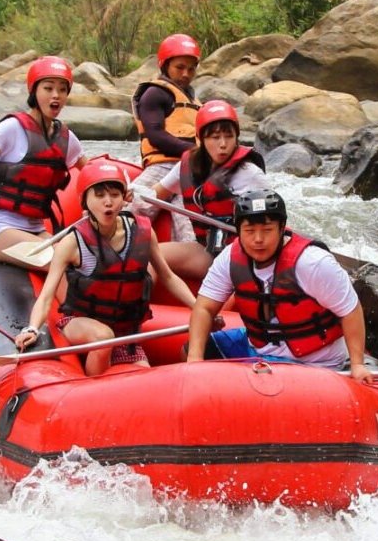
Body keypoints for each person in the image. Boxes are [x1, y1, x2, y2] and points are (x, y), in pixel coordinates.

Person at [15, 158, 199, 377]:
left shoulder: (143, 232)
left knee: (147, 384)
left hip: (126, 332)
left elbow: (168, 277)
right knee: (103, 337)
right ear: (85, 201)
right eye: (100, 195)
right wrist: (33, 328)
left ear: (124, 198)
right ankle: (90, 387)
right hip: (80, 323)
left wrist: (199, 309)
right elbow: (46, 296)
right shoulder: (72, 243)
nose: (108, 202)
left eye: (114, 194)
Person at [186, 189, 374, 383]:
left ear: (282, 228)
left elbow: (350, 310)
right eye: (249, 231)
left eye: (267, 230)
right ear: (238, 230)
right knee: (190, 349)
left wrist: (357, 364)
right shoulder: (229, 259)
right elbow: (204, 308)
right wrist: (195, 360)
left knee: (257, 382)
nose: (258, 239)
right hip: (259, 348)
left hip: (315, 363)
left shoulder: (312, 262)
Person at [0, 55, 86, 264]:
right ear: (34, 91)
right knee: (65, 259)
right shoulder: (12, 128)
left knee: (86, 262)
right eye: (48, 88)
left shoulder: (67, 139)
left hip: (36, 228)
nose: (56, 95)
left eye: (62, 90)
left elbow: (92, 172)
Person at [150, 100, 267, 281]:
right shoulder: (188, 165)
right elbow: (156, 193)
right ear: (200, 139)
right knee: (150, 257)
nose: (223, 144)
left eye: (229, 136)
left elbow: (270, 228)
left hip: (245, 258)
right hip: (208, 252)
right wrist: (128, 194)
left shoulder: (250, 174)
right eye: (214, 137)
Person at [130, 33, 201, 242]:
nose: (186, 73)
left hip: (190, 171)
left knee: (189, 230)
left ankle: (187, 266)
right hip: (162, 167)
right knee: (130, 211)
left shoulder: (195, 100)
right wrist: (196, 153)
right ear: (165, 66)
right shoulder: (155, 93)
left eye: (191, 68)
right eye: (180, 67)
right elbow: (156, 136)